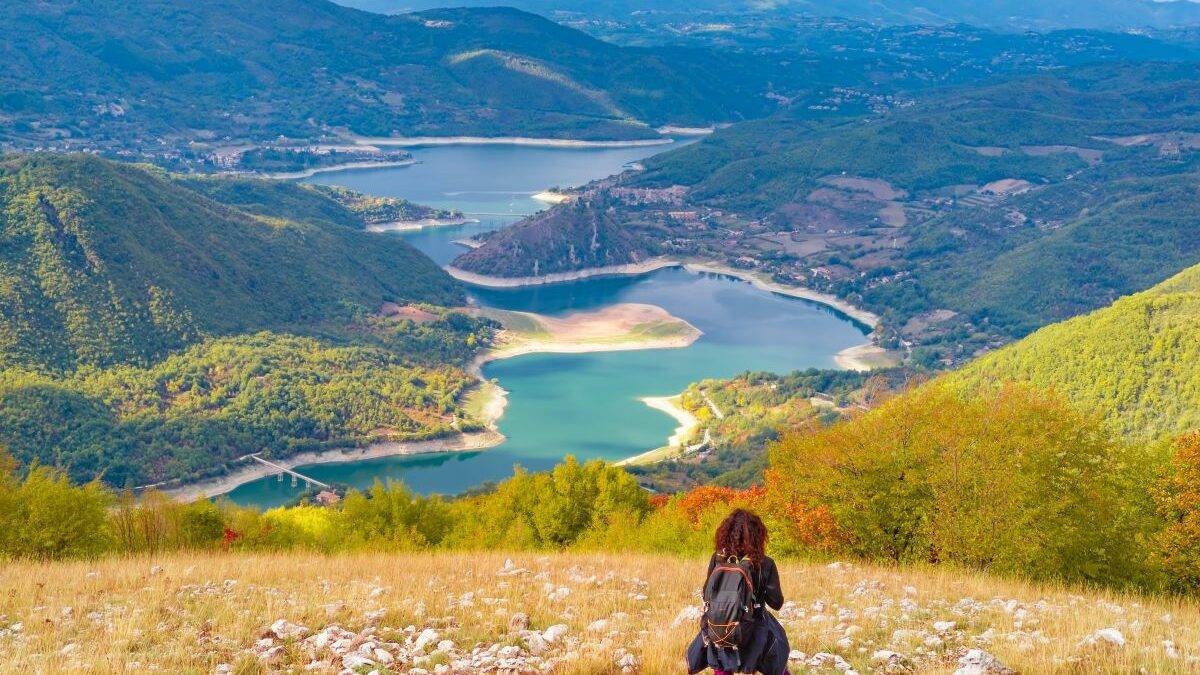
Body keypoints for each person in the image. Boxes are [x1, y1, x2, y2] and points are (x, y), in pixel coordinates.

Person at [686, 509, 791, 675]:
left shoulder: (718, 558)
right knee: (778, 654)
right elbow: (776, 603)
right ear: (758, 535)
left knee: (721, 660)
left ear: (726, 532)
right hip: (755, 631)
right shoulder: (765, 562)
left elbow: (707, 594)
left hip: (721, 627)